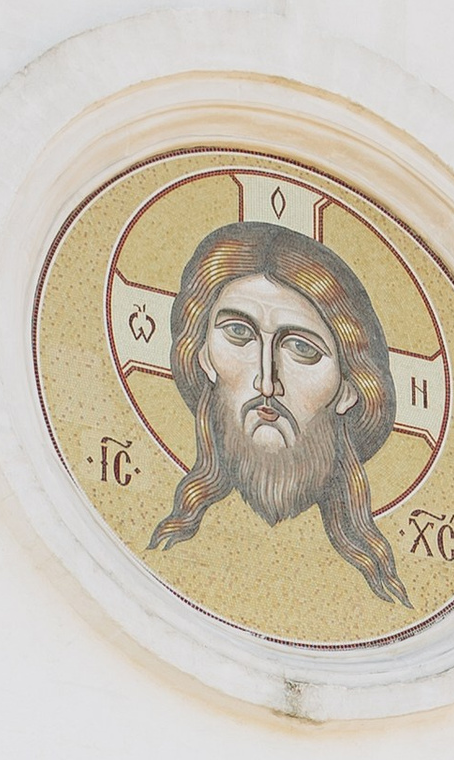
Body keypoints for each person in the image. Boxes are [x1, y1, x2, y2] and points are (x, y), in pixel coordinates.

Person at [147, 222, 411, 605]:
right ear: (204, 357)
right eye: (238, 333)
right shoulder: (171, 541)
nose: (267, 383)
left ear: (348, 390)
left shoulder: (357, 581)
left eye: (302, 349)